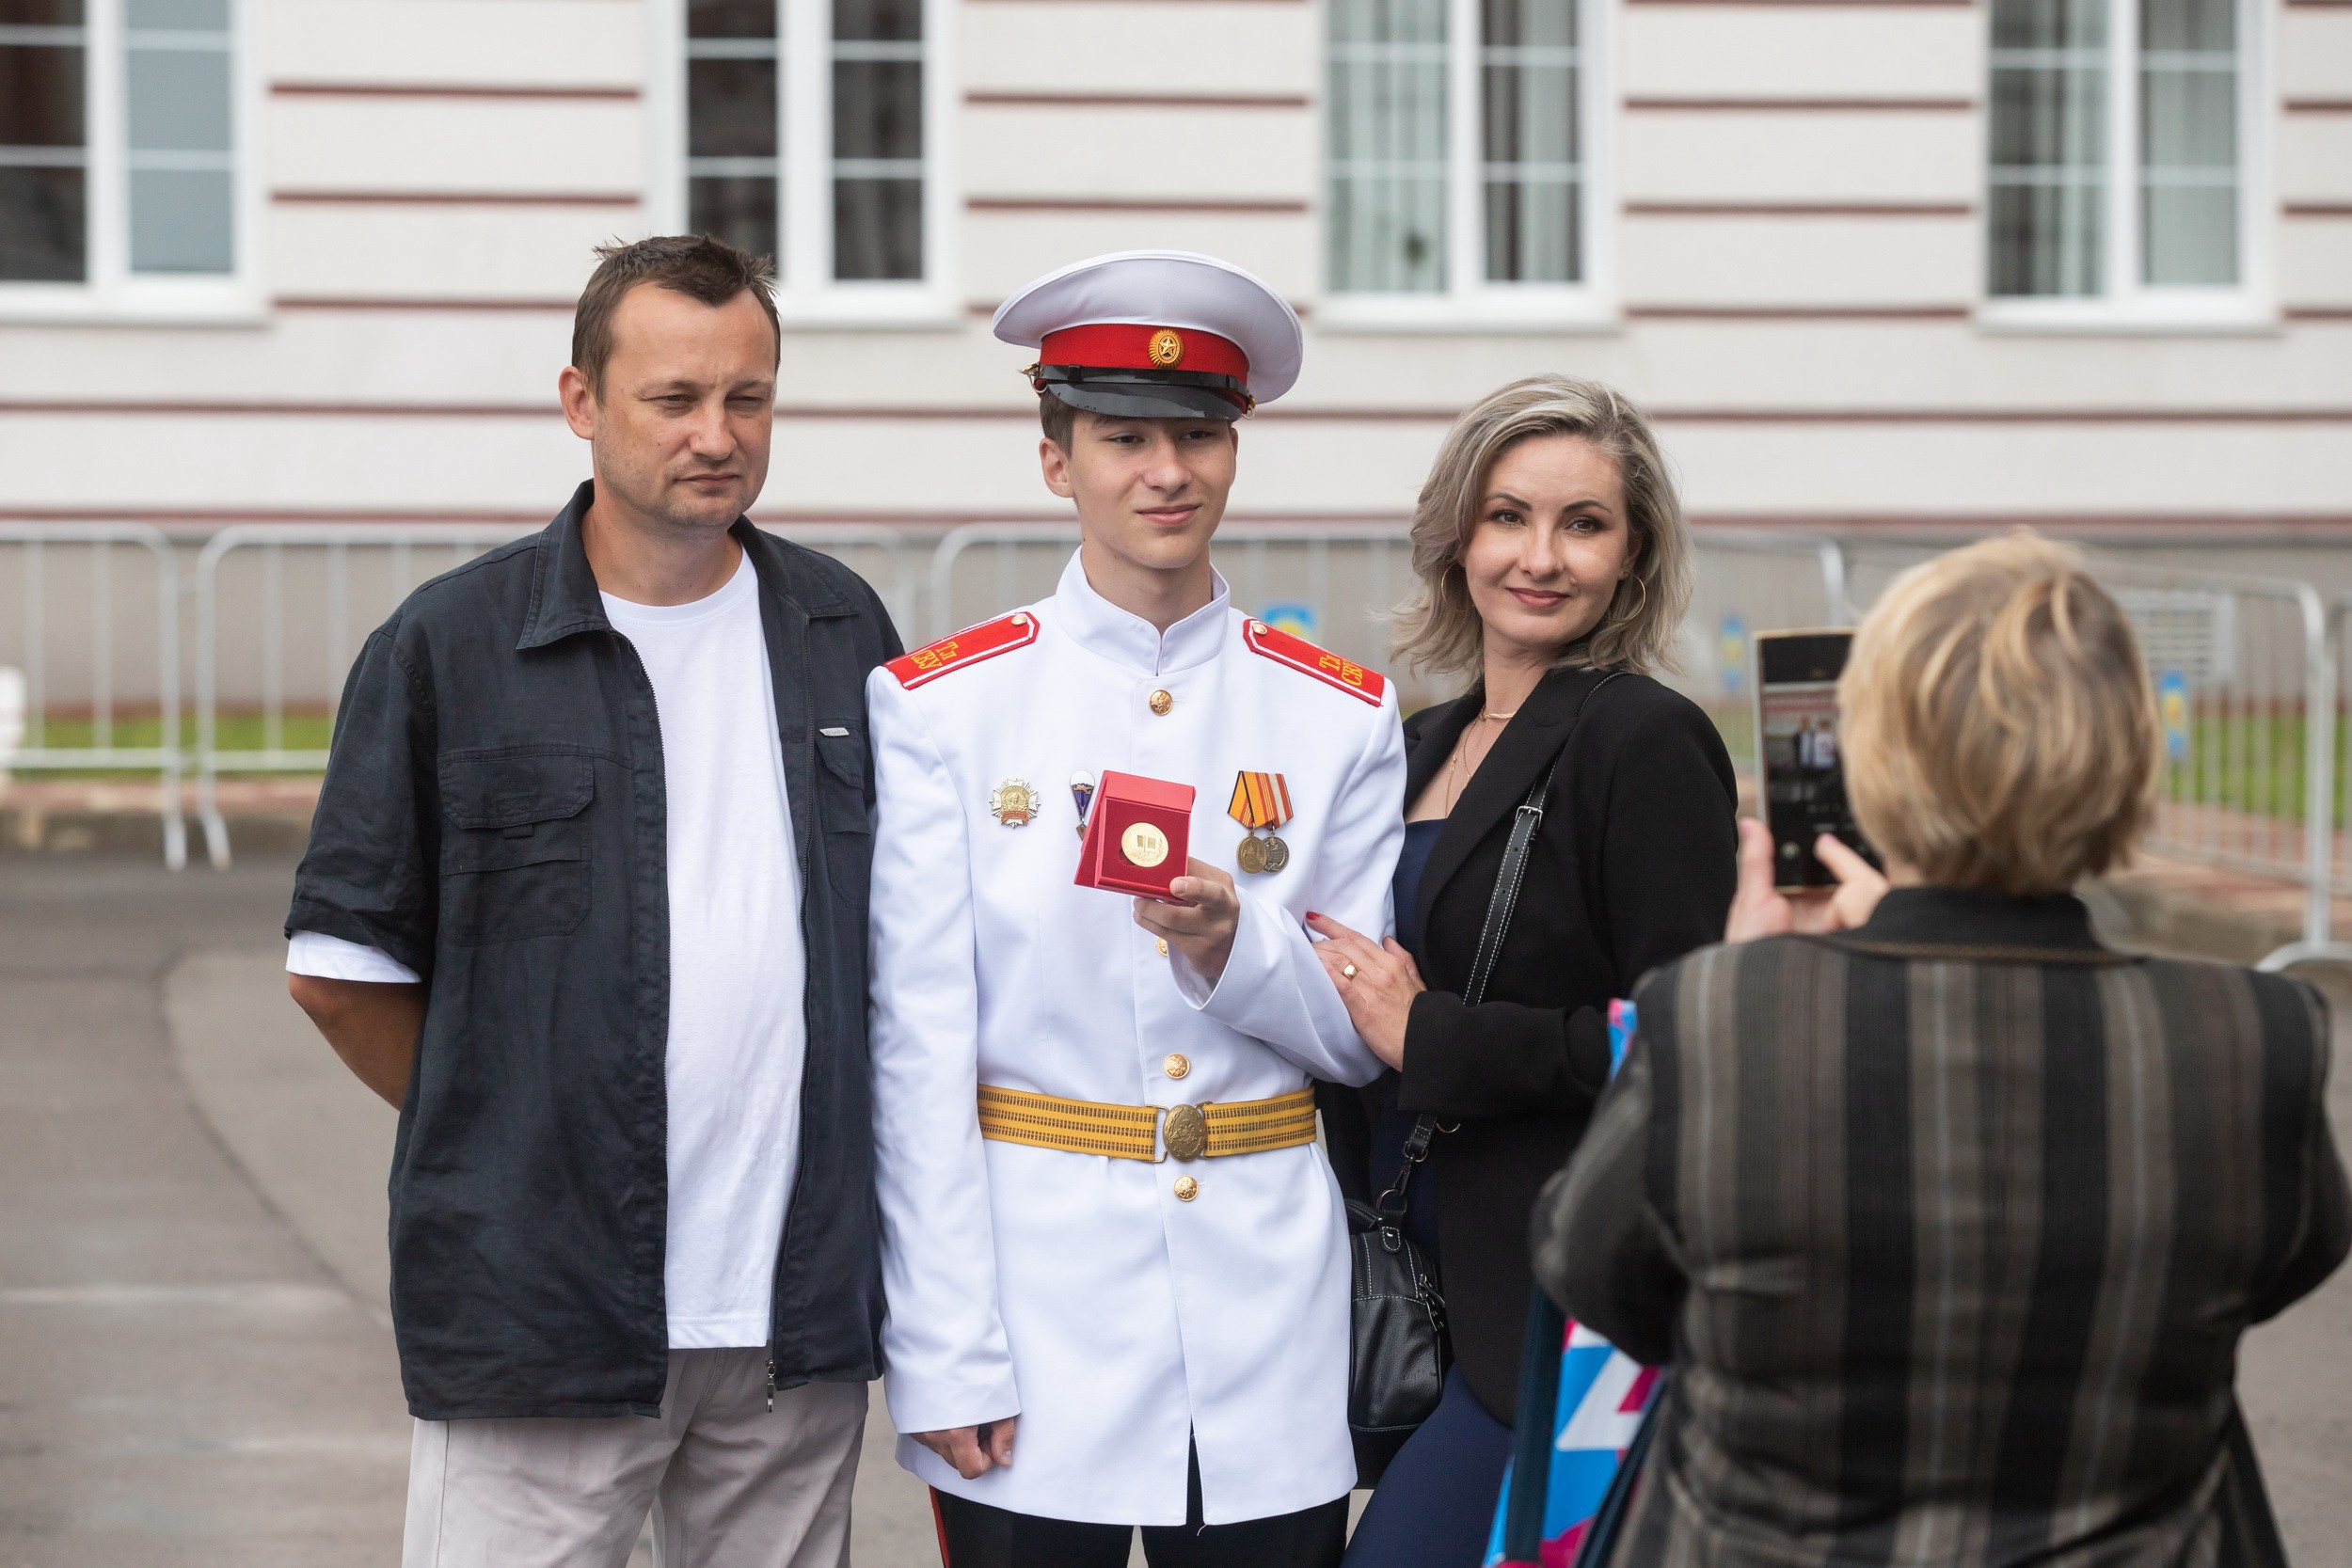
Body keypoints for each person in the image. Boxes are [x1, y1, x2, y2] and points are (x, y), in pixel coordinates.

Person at [1535, 533, 2352, 1565]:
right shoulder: (2253, 1034)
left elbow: (1589, 1266)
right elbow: (2279, 1262)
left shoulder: (1716, 1018)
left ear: (1871, 751)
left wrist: (1746, 977)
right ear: (2130, 753)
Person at [283, 234, 901, 1568]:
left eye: (748, 397)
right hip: (543, 1310)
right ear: (582, 402)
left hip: (790, 1316)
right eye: (674, 399)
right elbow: (337, 970)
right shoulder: (451, 646)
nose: (717, 434)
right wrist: (517, 1130)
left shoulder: (842, 631)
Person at [866, 250, 1405, 1567]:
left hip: (1264, 1309)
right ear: (1057, 460)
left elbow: (1357, 1039)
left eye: (1199, 435)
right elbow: (918, 1046)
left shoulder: (1337, 711)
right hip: (1034, 1314)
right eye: (1123, 437)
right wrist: (944, 1345)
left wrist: (1241, 950)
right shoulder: (945, 704)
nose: (1167, 470)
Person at [1309, 374, 1739, 1567]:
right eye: (1508, 516)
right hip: (1389, 1272)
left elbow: (1687, 1039)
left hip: (1554, 1302)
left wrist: (1431, 1036)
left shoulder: (1640, 739)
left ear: (1631, 551)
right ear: (1457, 535)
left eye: (1583, 523)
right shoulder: (1411, 745)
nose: (1539, 556)